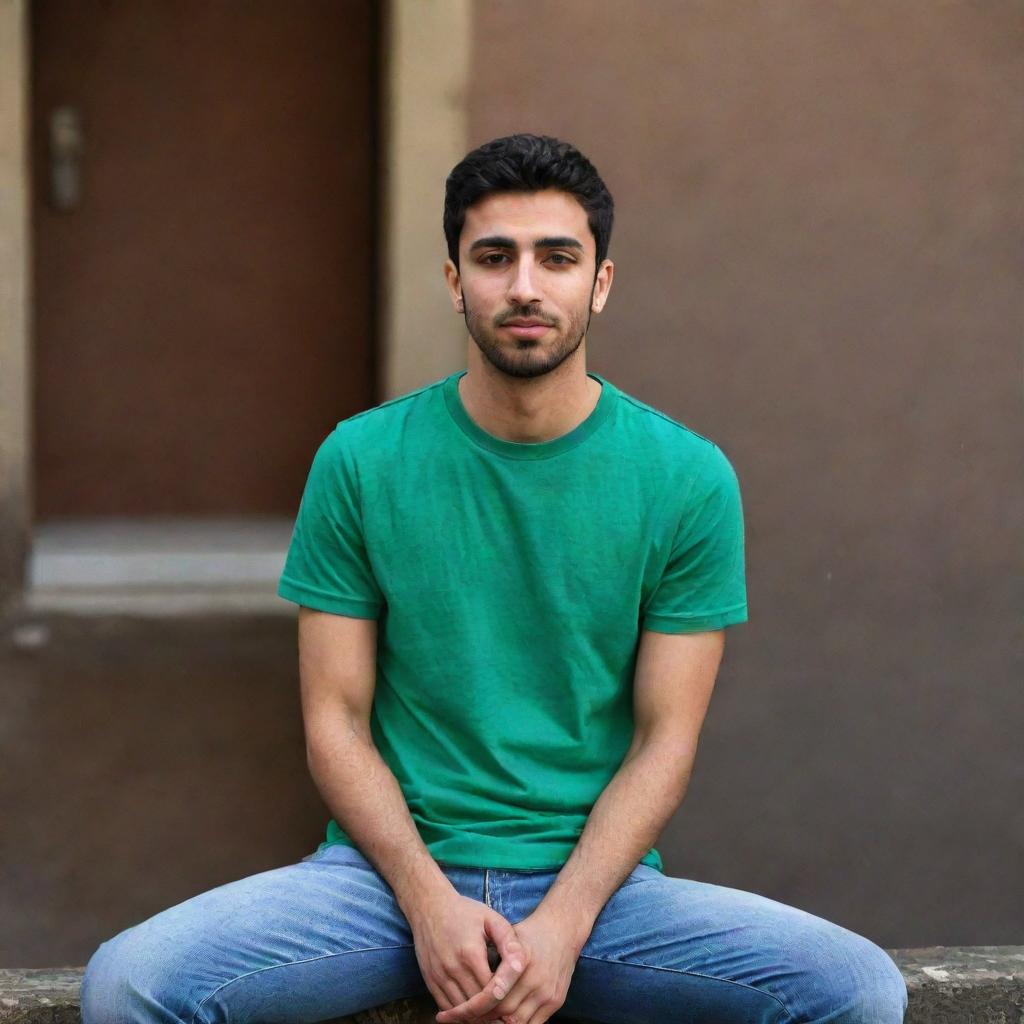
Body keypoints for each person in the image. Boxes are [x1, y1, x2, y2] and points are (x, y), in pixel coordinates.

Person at [81, 134, 908, 1024]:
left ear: (600, 283)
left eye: (557, 258)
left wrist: (566, 922)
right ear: (453, 283)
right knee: (130, 982)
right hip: (381, 889)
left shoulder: (686, 477)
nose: (524, 286)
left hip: (604, 897)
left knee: (857, 990)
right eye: (494, 257)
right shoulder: (362, 460)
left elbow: (665, 740)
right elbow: (335, 720)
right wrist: (426, 900)